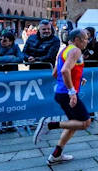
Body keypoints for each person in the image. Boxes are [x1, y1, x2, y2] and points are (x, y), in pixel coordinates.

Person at [33, 29, 91, 163]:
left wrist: (77, 79)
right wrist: (72, 92)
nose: (87, 42)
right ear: (77, 40)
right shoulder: (76, 51)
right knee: (85, 123)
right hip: (66, 94)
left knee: (73, 124)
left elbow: (55, 73)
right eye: (85, 39)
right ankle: (49, 125)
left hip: (61, 93)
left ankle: (56, 154)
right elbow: (65, 71)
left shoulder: (63, 51)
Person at [0, 30, 23, 132]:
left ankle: (10, 123)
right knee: (0, 98)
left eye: (5, 40)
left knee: (11, 98)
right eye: (1, 39)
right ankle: (3, 123)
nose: (2, 41)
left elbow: (21, 58)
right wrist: (11, 57)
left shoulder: (16, 47)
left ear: (11, 42)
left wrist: (3, 59)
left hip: (12, 74)